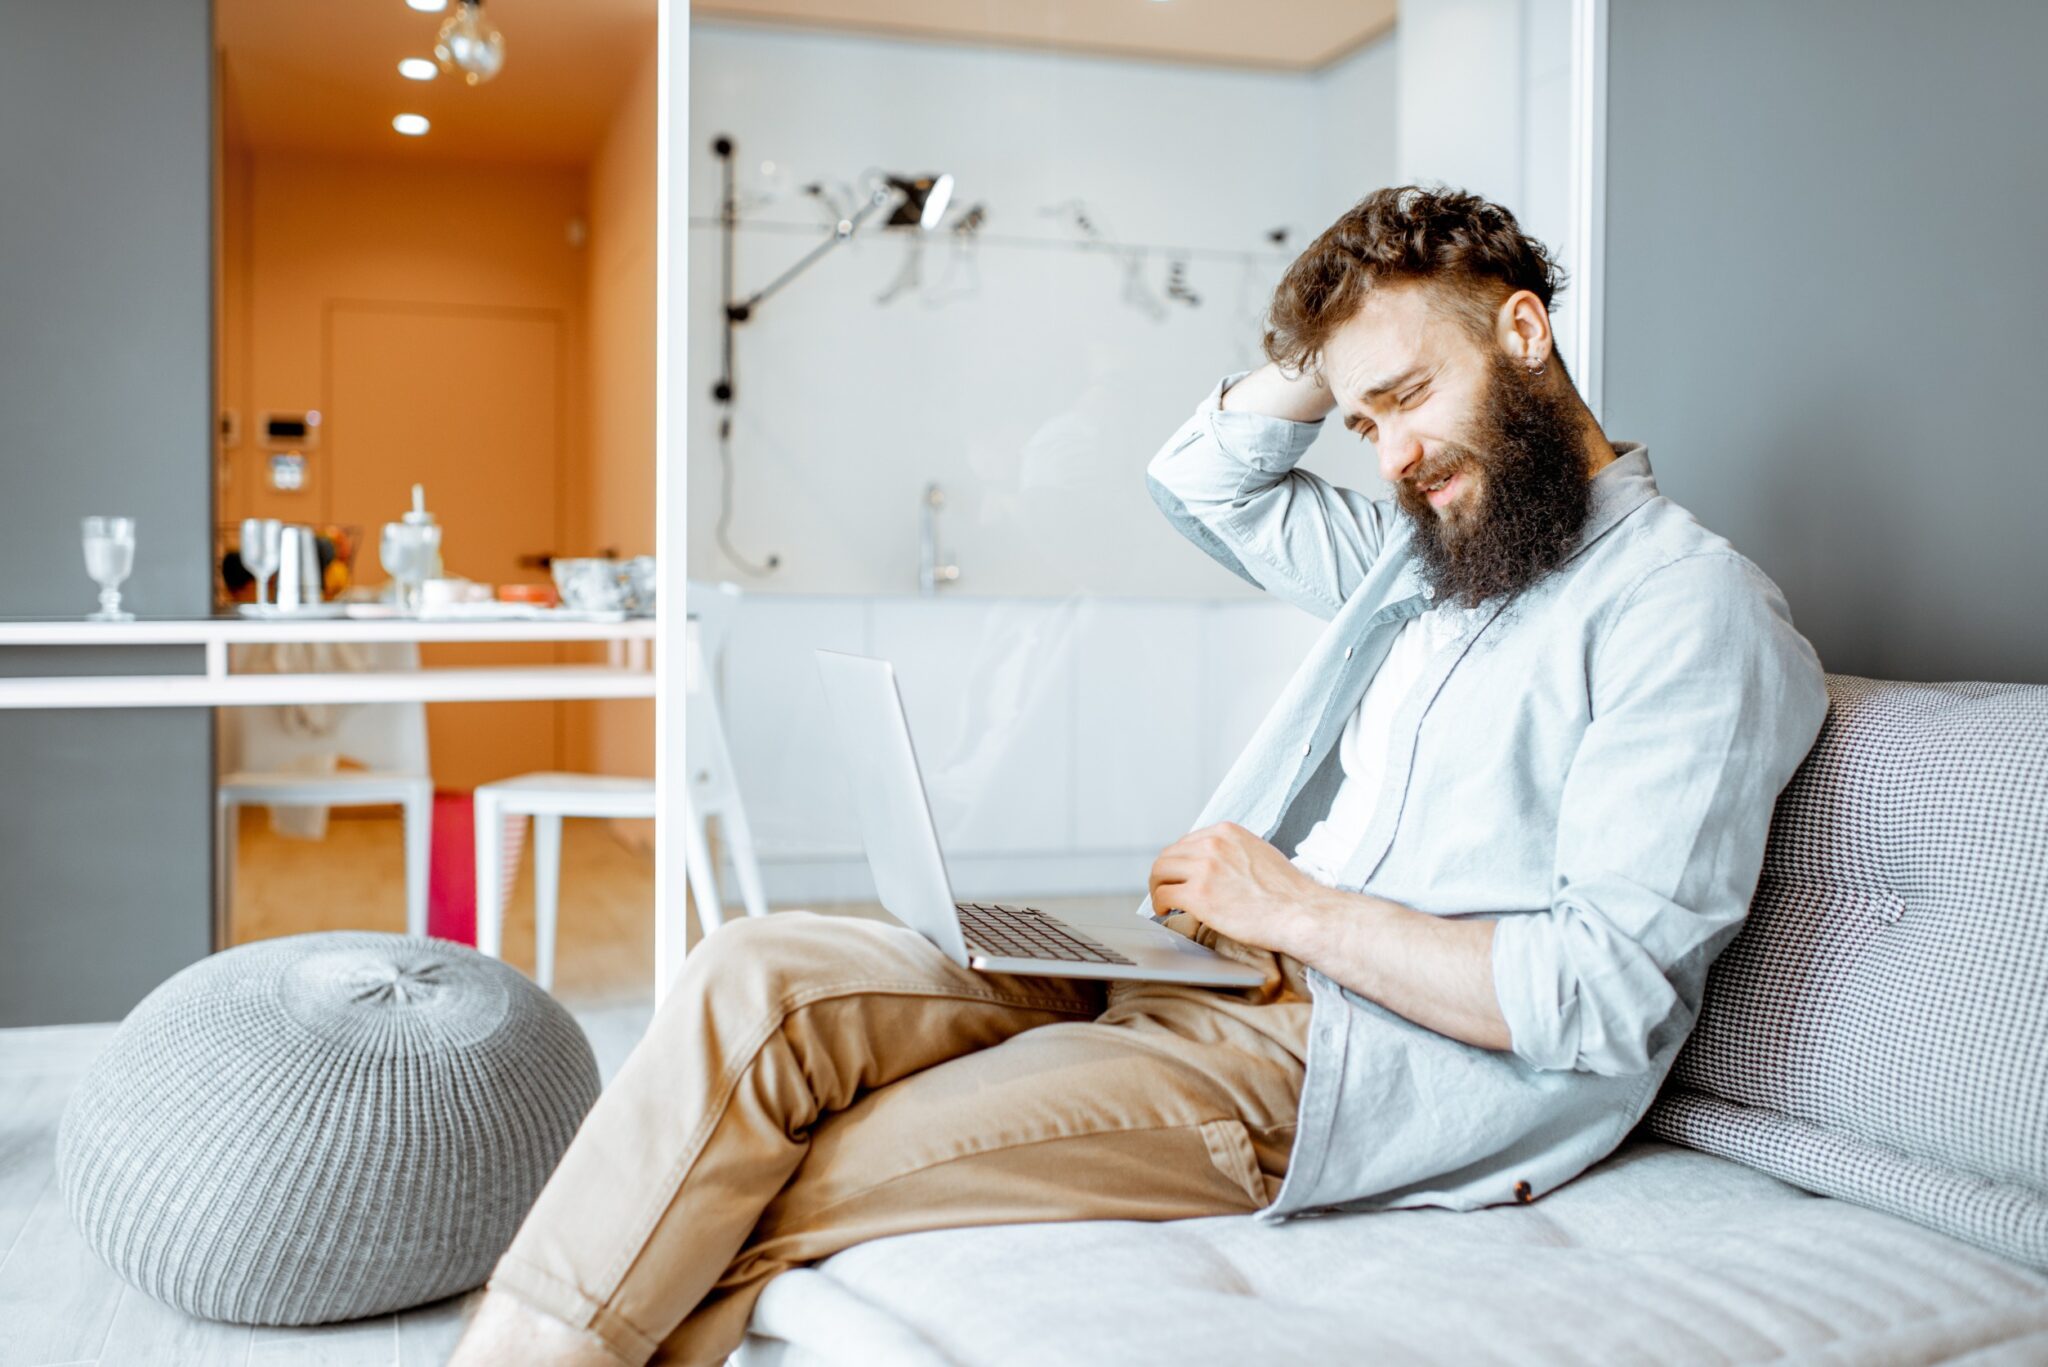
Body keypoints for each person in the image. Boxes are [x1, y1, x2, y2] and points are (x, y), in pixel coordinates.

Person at [449, 186, 1828, 1367]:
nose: (1394, 455)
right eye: (1363, 425)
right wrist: (1339, 334)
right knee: (753, 970)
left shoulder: (1686, 615)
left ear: (1525, 331)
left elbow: (1605, 996)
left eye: (1409, 397)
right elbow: (1206, 482)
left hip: (1341, 1073)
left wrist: (1289, 910)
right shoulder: (1443, 562)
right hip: (1213, 972)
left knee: (794, 1169)